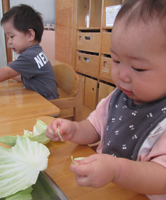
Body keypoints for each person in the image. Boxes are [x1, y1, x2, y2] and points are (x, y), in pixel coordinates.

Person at [46, 0, 166, 199]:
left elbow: (162, 177)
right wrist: (74, 129)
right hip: (106, 190)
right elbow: (94, 128)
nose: (122, 76)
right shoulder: (117, 97)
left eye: (138, 68)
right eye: (116, 60)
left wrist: (117, 170)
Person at [0, 4, 59, 100]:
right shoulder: (35, 52)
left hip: (47, 102)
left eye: (12, 36)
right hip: (45, 98)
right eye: (7, 37)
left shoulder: (29, 56)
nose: (9, 42)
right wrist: (13, 73)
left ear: (30, 35)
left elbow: (6, 73)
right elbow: (27, 77)